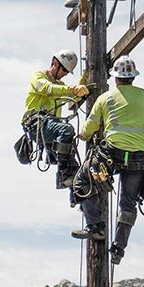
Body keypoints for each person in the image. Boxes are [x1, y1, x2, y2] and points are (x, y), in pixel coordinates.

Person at [72, 55, 144, 265]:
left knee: (82, 180)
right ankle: (119, 248)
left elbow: (88, 130)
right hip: (141, 157)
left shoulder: (105, 98)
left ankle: (96, 226)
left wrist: (83, 135)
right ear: (132, 77)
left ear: (115, 78)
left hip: (114, 154)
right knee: (128, 203)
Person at [23, 49, 89, 192]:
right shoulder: (39, 77)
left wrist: (85, 81)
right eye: (64, 70)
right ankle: (62, 174)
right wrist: (72, 89)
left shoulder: (61, 86)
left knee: (75, 169)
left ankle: (76, 195)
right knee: (66, 129)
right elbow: (48, 89)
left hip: (51, 129)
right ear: (55, 63)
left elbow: (71, 100)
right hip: (37, 125)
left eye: (66, 72)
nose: (64, 74)